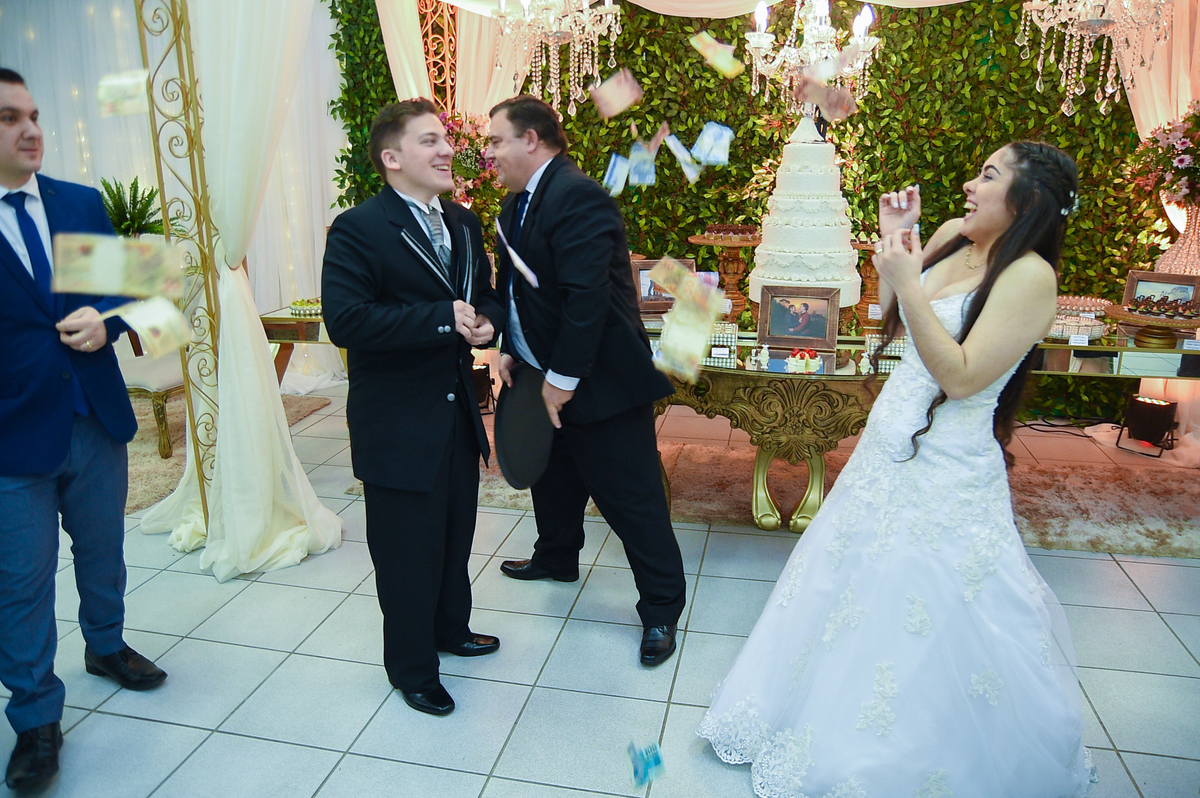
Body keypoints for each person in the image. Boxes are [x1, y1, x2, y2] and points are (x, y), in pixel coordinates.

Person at [698, 142, 1096, 797]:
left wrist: (909, 282)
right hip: (887, 449)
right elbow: (896, 320)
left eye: (988, 175)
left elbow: (961, 377)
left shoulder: (1029, 277)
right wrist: (896, 252)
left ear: (1026, 200)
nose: (969, 185)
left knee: (929, 603)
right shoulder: (951, 235)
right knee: (849, 587)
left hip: (949, 468)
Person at [0, 68, 167, 790]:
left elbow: (144, 291)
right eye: (8, 118)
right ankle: (36, 718)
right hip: (11, 436)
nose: (30, 130)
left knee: (104, 549)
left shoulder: (77, 204)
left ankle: (106, 645)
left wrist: (110, 321)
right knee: (20, 580)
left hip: (95, 417)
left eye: (33, 114)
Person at [484, 95, 687, 666]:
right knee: (554, 478)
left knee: (632, 500)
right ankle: (556, 556)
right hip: (540, 374)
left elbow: (586, 298)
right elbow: (517, 294)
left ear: (531, 139)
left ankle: (662, 607)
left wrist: (563, 378)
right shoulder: (513, 205)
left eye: (496, 140)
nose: (489, 152)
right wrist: (510, 349)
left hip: (601, 382)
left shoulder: (579, 196)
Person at [321, 98, 503, 717]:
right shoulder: (358, 228)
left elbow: (487, 295)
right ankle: (412, 667)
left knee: (454, 536)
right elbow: (346, 320)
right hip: (396, 421)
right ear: (392, 157)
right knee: (405, 553)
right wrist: (439, 319)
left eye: (445, 138)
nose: (447, 149)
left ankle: (451, 628)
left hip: (456, 415)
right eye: (430, 141)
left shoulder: (464, 223)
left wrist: (488, 323)